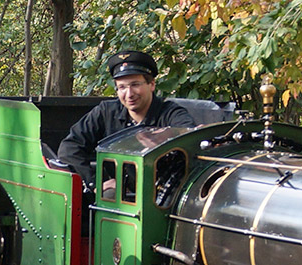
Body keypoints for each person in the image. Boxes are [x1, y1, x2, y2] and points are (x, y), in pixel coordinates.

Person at [54, 50, 199, 181]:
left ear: (152, 84)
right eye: (122, 87)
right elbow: (70, 147)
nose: (129, 94)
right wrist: (97, 183)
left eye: (135, 85)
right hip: (116, 200)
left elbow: (190, 139)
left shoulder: (171, 113)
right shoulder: (106, 112)